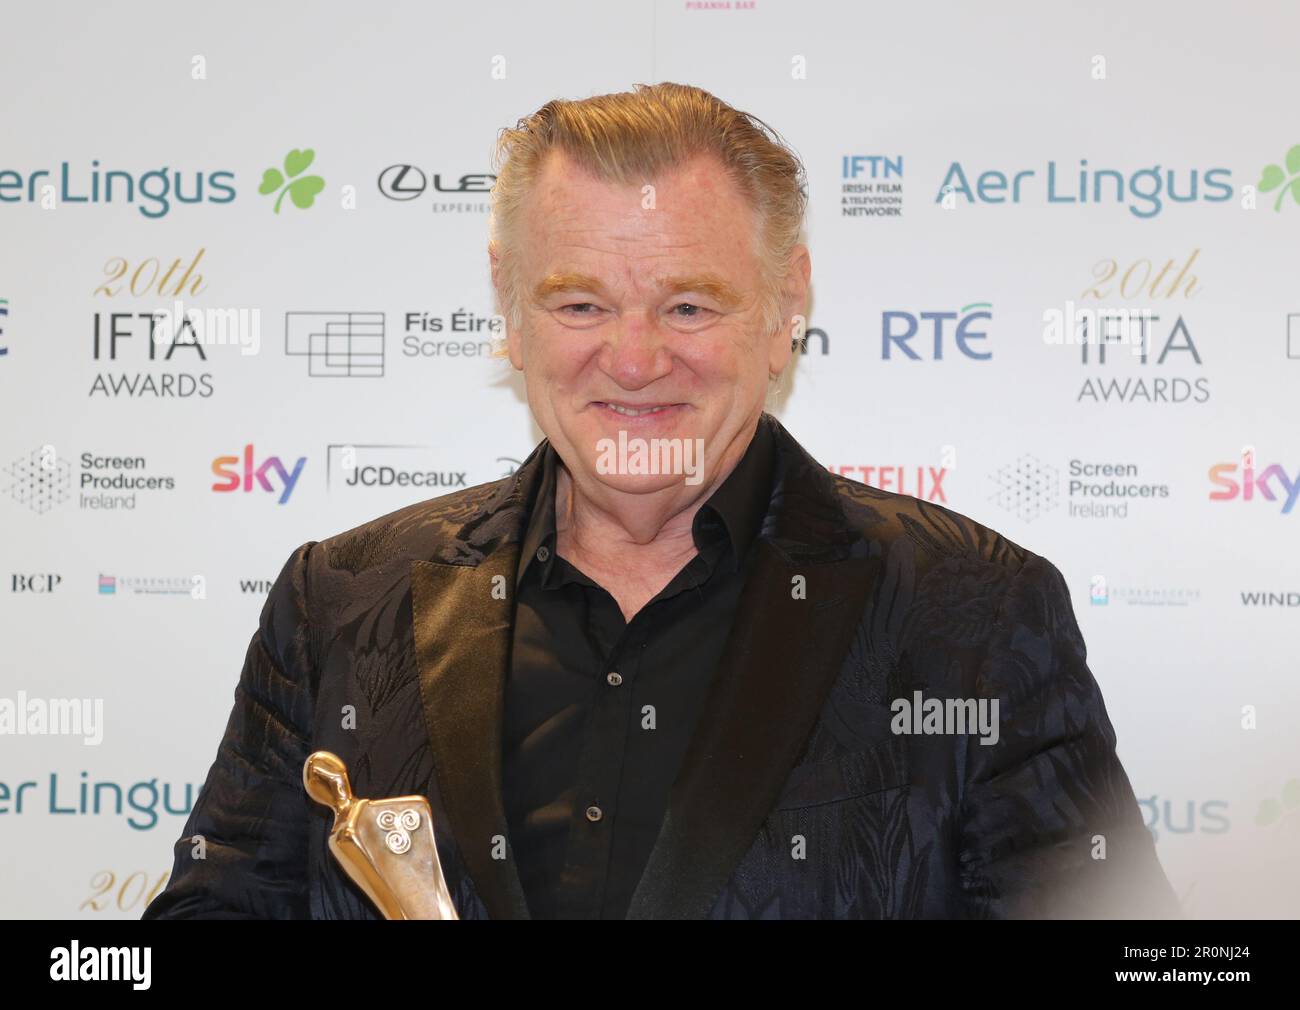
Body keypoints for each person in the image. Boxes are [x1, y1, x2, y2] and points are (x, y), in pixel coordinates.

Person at [144, 82, 1179, 919]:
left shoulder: (979, 613)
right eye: (580, 301)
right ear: (509, 307)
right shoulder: (338, 597)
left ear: (785, 308)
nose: (634, 359)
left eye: (688, 303)